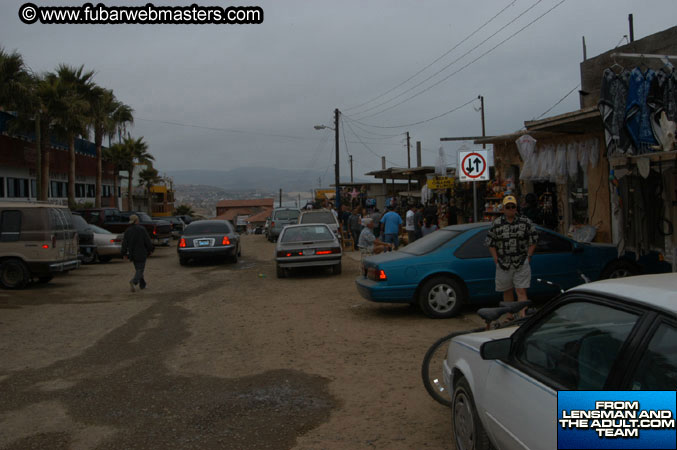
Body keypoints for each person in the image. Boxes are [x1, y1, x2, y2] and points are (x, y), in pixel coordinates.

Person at [485, 195, 538, 315]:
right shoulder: (497, 223)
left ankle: (522, 316)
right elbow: (490, 242)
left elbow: (534, 239)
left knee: (521, 291)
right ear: (503, 208)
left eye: (512, 206)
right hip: (503, 264)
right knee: (507, 291)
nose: (510, 209)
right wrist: (495, 258)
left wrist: (529, 256)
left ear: (516, 208)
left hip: (521, 262)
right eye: (507, 207)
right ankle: (510, 316)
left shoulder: (525, 222)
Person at [121, 214, 154, 292]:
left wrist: (124, 253)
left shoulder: (127, 231)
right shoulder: (142, 229)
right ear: (136, 221)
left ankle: (142, 284)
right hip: (141, 252)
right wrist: (151, 249)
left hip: (132, 253)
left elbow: (124, 243)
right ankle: (134, 281)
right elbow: (147, 240)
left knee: (138, 269)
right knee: (140, 269)